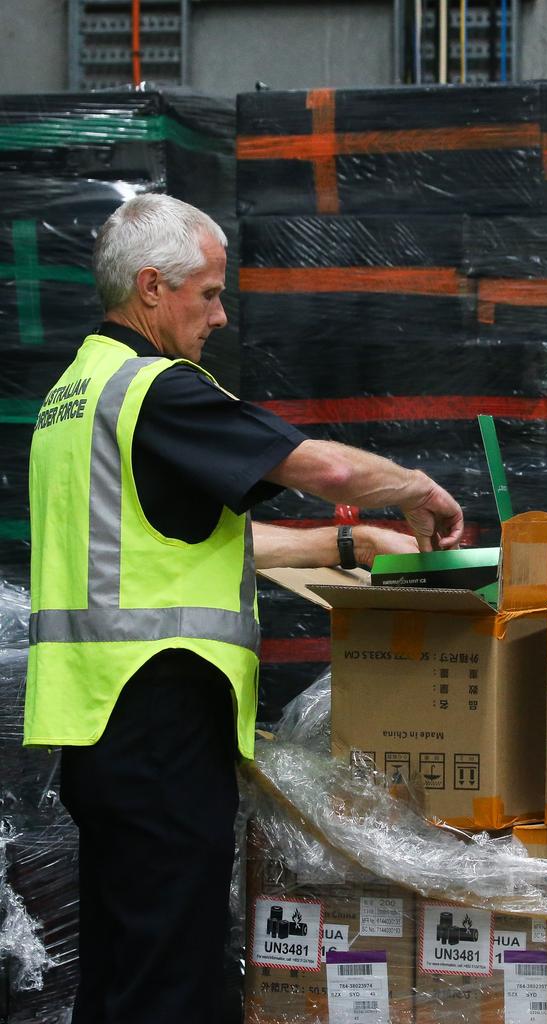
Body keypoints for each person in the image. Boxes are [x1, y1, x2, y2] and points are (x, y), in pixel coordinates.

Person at [24, 193, 463, 1024]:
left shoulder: (74, 395)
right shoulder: (155, 390)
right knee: (174, 978)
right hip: (158, 716)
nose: (220, 315)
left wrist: (348, 548)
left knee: (127, 963)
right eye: (209, 293)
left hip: (99, 725)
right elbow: (320, 469)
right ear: (152, 288)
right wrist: (415, 488)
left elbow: (191, 545)